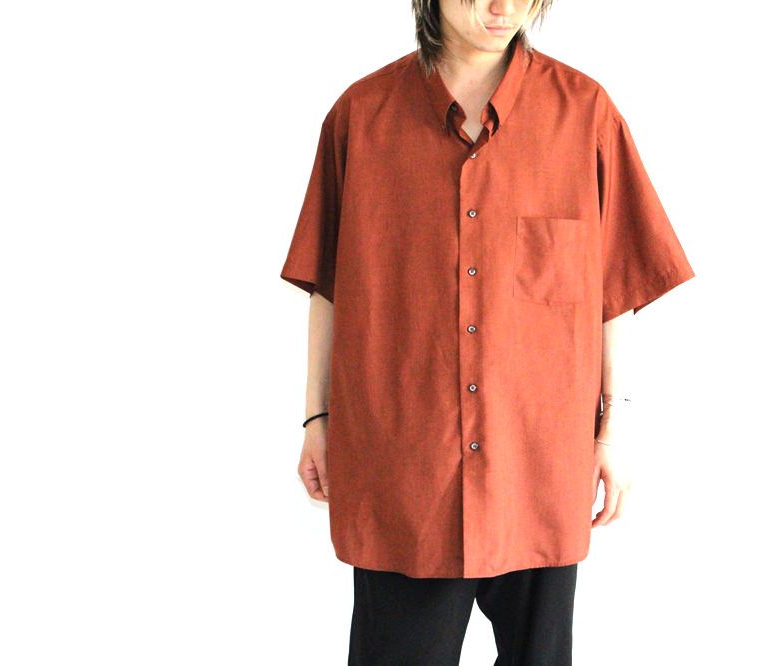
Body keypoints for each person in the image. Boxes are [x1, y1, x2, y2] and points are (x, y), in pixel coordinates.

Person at [280, 1, 695, 663]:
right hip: (406, 471)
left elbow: (612, 288)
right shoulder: (361, 116)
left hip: (538, 465)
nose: (502, 7)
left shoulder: (584, 113)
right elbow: (327, 284)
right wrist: (316, 416)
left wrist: (614, 428)